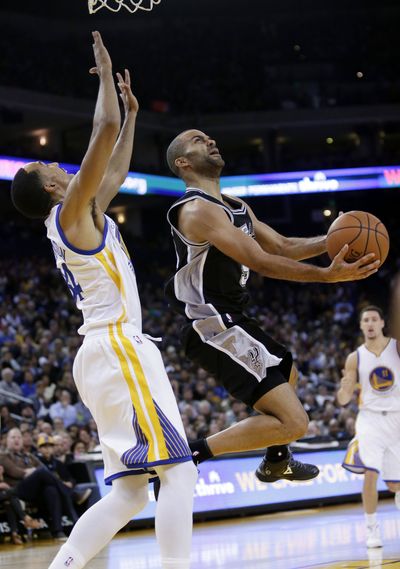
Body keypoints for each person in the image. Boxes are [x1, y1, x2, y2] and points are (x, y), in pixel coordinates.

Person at [11, 32, 197, 569]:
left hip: (105, 353)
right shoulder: (69, 214)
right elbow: (104, 128)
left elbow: (113, 167)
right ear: (50, 189)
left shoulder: (83, 213)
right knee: (178, 472)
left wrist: (133, 114)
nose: (60, 168)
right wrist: (107, 72)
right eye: (50, 170)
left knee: (134, 492)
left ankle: (60, 567)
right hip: (117, 349)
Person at [165, 129, 380, 483]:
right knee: (295, 422)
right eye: (198, 140)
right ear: (183, 163)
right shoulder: (197, 209)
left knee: (288, 371)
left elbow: (281, 245)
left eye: (209, 137)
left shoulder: (235, 205)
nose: (211, 141)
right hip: (211, 323)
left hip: (232, 318)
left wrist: (334, 240)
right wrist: (327, 276)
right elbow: (261, 261)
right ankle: (188, 454)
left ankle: (277, 460)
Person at [338, 305, 400, 548]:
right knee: (370, 473)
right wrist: (344, 388)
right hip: (370, 419)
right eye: (366, 320)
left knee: (395, 483)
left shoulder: (396, 348)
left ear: (382, 322)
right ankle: (372, 530)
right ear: (362, 325)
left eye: (374, 319)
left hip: (396, 418)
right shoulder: (355, 357)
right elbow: (344, 400)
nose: (371, 323)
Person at [0, 427, 78, 539]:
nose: (16, 440)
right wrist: (33, 471)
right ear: (6, 440)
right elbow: (16, 472)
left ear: (22, 440)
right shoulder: (3, 455)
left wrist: (32, 471)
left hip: (34, 491)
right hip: (17, 490)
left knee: (51, 490)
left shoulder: (28, 455)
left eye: (19, 437)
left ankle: (58, 531)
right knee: (41, 473)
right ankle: (70, 494)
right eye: (13, 437)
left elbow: (44, 468)